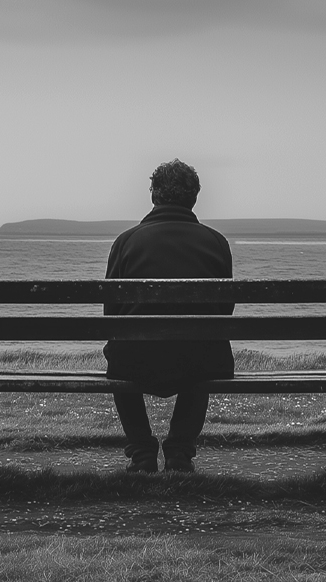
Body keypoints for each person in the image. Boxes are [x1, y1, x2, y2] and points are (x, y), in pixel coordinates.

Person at [103, 159, 234, 473]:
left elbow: (111, 312)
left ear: (154, 196)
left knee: (119, 356)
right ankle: (179, 453)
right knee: (205, 349)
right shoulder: (216, 243)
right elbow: (224, 310)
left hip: (134, 361)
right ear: (194, 198)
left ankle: (142, 453)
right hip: (199, 360)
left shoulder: (126, 242)